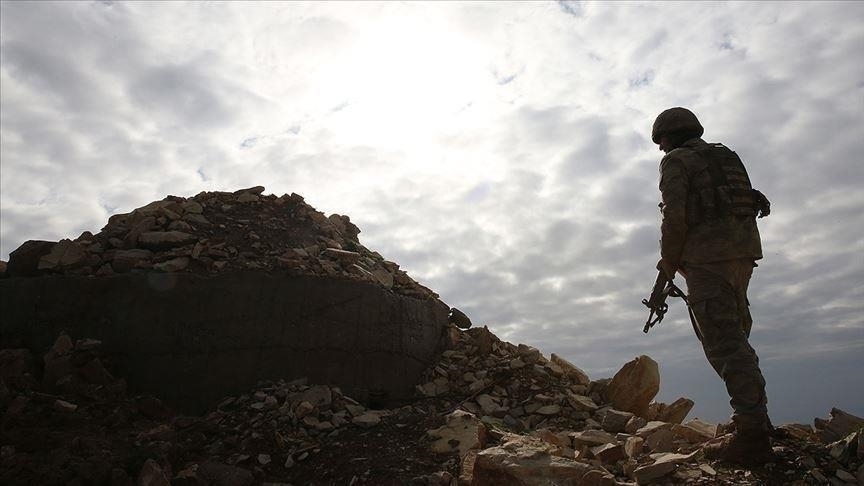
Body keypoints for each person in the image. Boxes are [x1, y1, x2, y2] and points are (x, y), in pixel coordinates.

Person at [651, 107, 773, 464]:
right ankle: (756, 422)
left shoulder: (676, 161)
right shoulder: (725, 155)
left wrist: (667, 267)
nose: (660, 150)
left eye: (661, 142)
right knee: (736, 336)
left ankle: (752, 435)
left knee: (724, 344)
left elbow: (675, 216)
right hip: (743, 255)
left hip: (708, 260)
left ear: (670, 137)